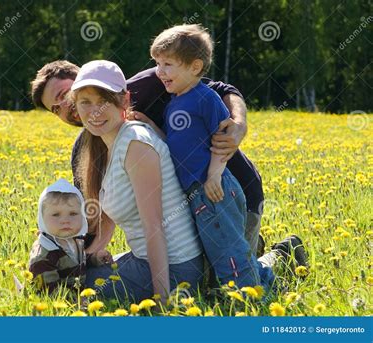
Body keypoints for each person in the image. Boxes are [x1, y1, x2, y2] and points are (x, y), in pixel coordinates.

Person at [30, 60, 264, 257]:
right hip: (189, 217)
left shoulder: (148, 84)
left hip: (232, 194)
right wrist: (55, 243)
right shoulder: (84, 150)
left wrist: (238, 124)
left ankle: (280, 253)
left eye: (63, 94)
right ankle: (251, 249)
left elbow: (220, 90)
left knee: (230, 282)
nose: (65, 107)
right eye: (55, 108)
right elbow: (89, 211)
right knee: (202, 278)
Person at [146, 24, 277, 289]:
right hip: (200, 191)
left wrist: (214, 175)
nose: (159, 72)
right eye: (157, 63)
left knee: (230, 255)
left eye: (167, 64)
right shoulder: (175, 102)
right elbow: (175, 144)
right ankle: (268, 282)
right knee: (221, 254)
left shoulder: (204, 97)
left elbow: (222, 140)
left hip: (214, 189)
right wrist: (149, 126)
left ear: (195, 67)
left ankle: (251, 303)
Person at [70, 60, 204, 304]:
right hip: (145, 258)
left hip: (176, 269)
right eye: (86, 103)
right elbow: (110, 218)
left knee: (71, 289)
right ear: (76, 108)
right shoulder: (111, 145)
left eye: (104, 101)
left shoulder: (135, 144)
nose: (95, 112)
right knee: (72, 277)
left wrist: (162, 298)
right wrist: (88, 255)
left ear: (124, 100)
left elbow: (155, 227)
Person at [28, 178, 111, 294]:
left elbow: (77, 264)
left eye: (73, 214)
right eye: (56, 215)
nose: (65, 220)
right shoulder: (44, 254)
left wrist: (94, 259)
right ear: (42, 218)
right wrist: (76, 301)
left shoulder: (76, 240)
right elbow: (47, 291)